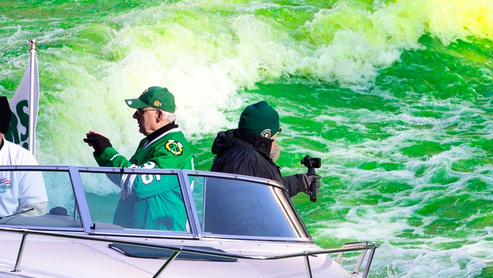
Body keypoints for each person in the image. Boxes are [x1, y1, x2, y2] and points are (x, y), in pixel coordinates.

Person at [84, 85, 192, 230]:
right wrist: (102, 150)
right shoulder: (148, 142)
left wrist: (107, 151)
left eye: (140, 111)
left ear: (159, 115)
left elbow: (137, 183)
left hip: (160, 242)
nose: (135, 116)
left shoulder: (174, 148)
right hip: (136, 238)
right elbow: (125, 178)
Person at [209, 101, 324, 202]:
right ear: (266, 134)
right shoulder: (244, 159)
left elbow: (261, 189)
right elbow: (238, 208)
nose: (276, 137)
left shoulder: (242, 152)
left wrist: (299, 182)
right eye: (277, 131)